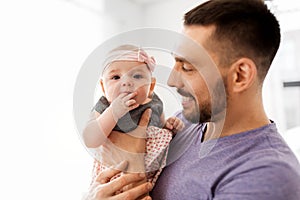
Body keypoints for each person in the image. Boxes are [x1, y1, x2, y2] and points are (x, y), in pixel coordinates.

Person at [87, 0, 300, 199]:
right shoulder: (184, 122)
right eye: (175, 63)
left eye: (187, 67)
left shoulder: (266, 177)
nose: (171, 80)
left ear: (240, 76)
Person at [82, 44, 184, 187]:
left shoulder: (155, 102)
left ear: (151, 86)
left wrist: (169, 124)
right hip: (115, 173)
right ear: (103, 87)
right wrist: (113, 113)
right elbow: (90, 139)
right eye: (116, 77)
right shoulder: (105, 106)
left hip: (152, 174)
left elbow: (160, 125)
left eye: (137, 76)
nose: (126, 82)